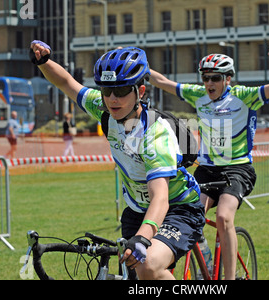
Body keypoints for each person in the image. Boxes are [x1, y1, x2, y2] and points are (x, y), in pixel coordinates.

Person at [30, 41, 205, 280]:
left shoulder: (156, 134)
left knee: (148, 266)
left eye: (122, 91)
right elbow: (67, 83)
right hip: (136, 210)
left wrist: (143, 238)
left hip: (178, 208)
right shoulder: (104, 108)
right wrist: (44, 62)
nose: (113, 98)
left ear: (140, 92)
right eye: (106, 90)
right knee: (136, 278)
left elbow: (160, 197)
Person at [149, 45, 269, 279]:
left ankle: (228, 279)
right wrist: (138, 63)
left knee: (223, 217)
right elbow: (162, 81)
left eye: (215, 78)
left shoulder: (243, 96)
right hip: (206, 170)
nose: (209, 83)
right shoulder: (198, 94)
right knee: (189, 217)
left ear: (227, 79)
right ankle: (204, 267)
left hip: (237, 169)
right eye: (205, 78)